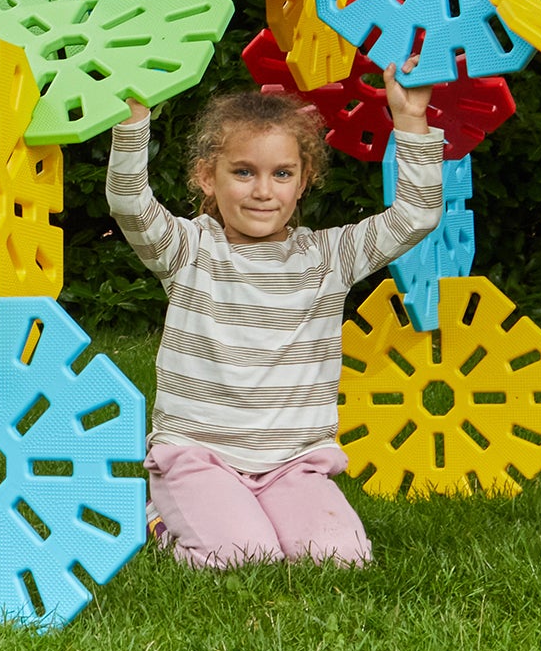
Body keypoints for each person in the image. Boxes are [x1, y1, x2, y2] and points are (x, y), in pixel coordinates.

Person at [106, 73, 442, 570]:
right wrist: (133, 123)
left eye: (282, 174)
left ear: (303, 180)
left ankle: (257, 511)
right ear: (207, 176)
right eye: (243, 172)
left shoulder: (331, 257)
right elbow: (130, 204)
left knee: (341, 560)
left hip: (293, 465)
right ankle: (159, 517)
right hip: (200, 457)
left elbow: (416, 215)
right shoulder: (188, 251)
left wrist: (411, 120)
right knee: (242, 557)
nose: (264, 191)